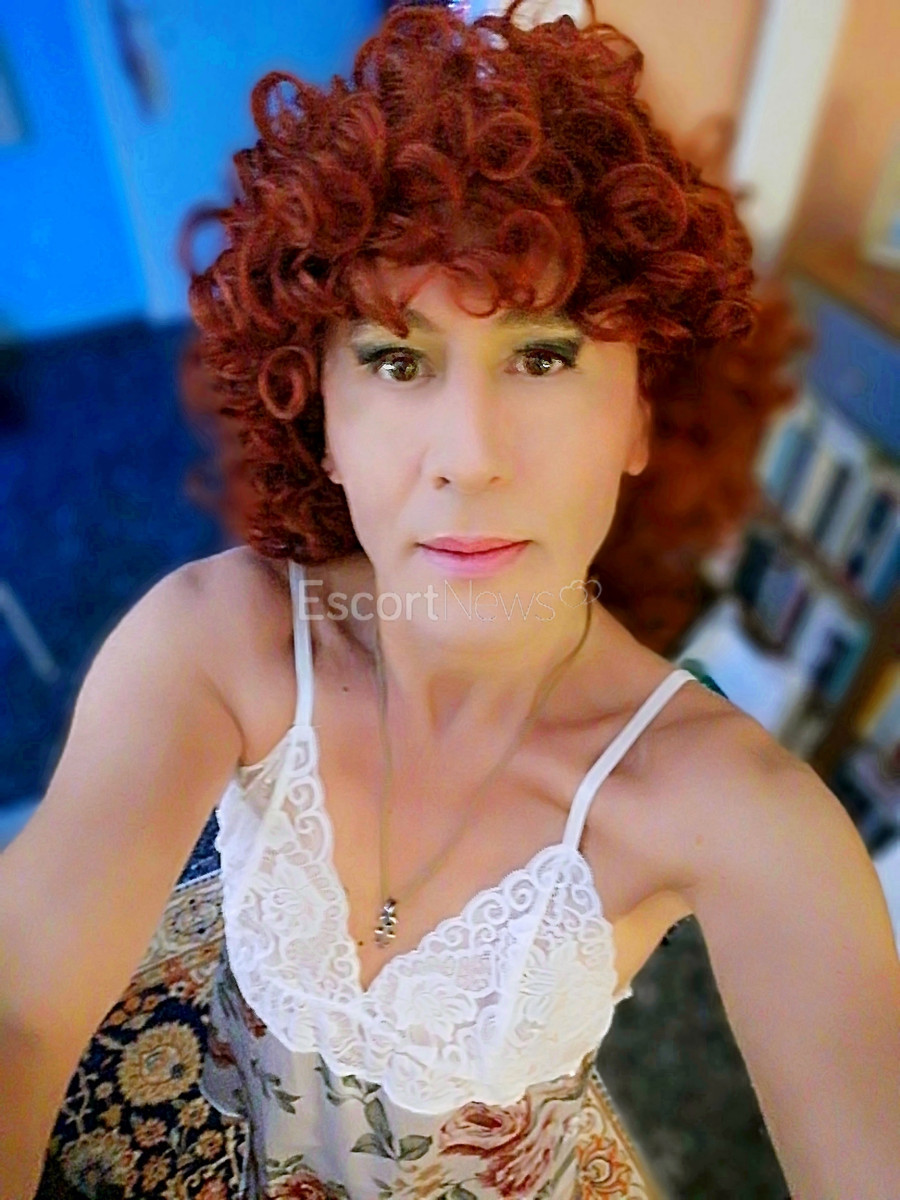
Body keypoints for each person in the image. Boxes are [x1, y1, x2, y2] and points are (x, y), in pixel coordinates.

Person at [2, 2, 899, 1198]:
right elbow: (17, 1009)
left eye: (545, 354)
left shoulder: (738, 810)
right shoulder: (217, 639)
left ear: (642, 416)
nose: (469, 458)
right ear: (319, 417)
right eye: (395, 358)